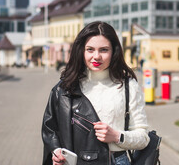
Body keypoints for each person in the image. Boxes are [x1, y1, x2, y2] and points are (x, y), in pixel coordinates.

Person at [42, 21, 150, 165]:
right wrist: (56, 154)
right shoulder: (65, 88)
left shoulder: (128, 86)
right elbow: (50, 131)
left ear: (114, 51)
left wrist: (117, 136)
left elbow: (143, 137)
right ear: (81, 51)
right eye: (90, 49)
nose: (96, 56)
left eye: (104, 50)